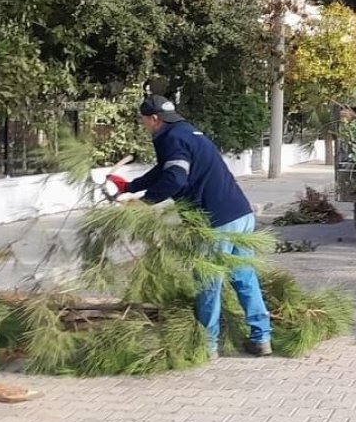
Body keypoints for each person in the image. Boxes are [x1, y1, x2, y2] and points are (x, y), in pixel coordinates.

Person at [107, 95, 272, 357]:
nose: (143, 125)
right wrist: (130, 186)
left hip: (215, 222)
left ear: (154, 119)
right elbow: (164, 170)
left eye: (143, 120)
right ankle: (262, 338)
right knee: (244, 278)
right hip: (240, 213)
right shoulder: (186, 132)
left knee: (208, 282)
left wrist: (144, 203)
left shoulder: (170, 138)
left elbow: (175, 179)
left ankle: (207, 345)